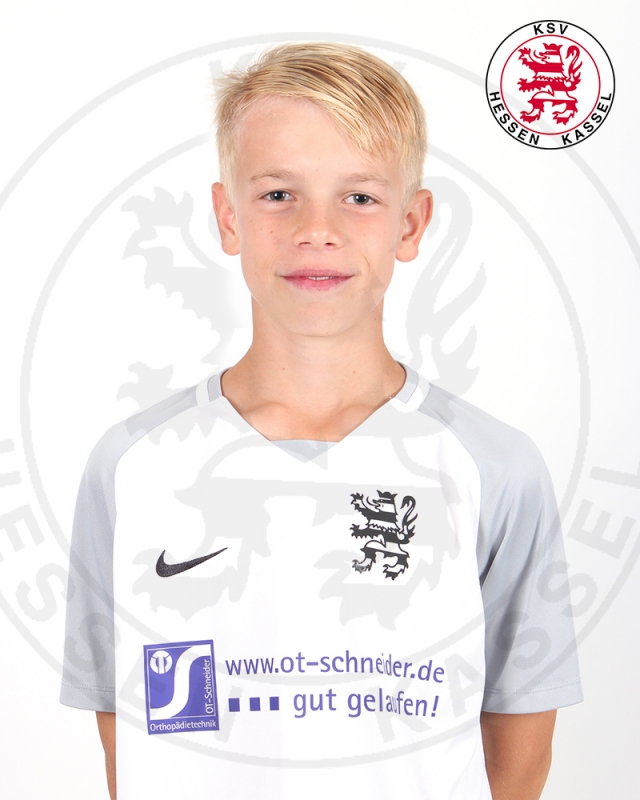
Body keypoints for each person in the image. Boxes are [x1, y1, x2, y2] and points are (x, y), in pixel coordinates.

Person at [60, 42, 582, 800]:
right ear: (227, 218)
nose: (317, 229)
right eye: (279, 194)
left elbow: (519, 756)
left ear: (411, 225)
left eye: (359, 198)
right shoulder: (134, 465)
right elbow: (131, 733)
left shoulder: (493, 466)